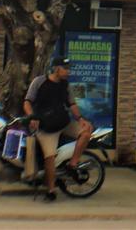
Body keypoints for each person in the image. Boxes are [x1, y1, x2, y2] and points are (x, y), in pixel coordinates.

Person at [23, 57, 92, 201]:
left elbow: (71, 104)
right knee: (50, 158)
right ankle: (51, 190)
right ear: (56, 69)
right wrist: (32, 117)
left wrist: (80, 119)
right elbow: (27, 103)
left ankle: (73, 164)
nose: (68, 71)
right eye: (65, 68)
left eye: (68, 68)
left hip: (64, 123)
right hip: (46, 128)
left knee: (86, 132)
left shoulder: (65, 85)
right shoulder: (39, 82)